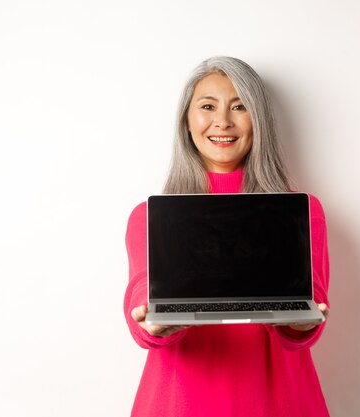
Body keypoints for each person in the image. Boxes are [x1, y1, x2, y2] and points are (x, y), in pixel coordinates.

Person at [124, 56, 331, 416]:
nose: (223, 121)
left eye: (240, 106)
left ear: (259, 122)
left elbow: (312, 303)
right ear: (186, 123)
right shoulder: (148, 217)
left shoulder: (303, 211)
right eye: (208, 106)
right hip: (180, 403)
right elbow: (141, 294)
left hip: (277, 401)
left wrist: (300, 323)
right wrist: (152, 323)